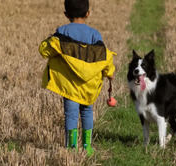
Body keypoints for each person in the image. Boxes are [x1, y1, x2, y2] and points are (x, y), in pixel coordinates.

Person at [38, 0, 116, 156]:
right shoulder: (95, 34)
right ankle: (87, 147)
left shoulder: (62, 32)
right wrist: (109, 71)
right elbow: (103, 55)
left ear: (66, 14)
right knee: (87, 112)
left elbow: (45, 51)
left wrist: (48, 40)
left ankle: (71, 148)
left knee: (71, 114)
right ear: (88, 13)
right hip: (89, 87)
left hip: (69, 86)